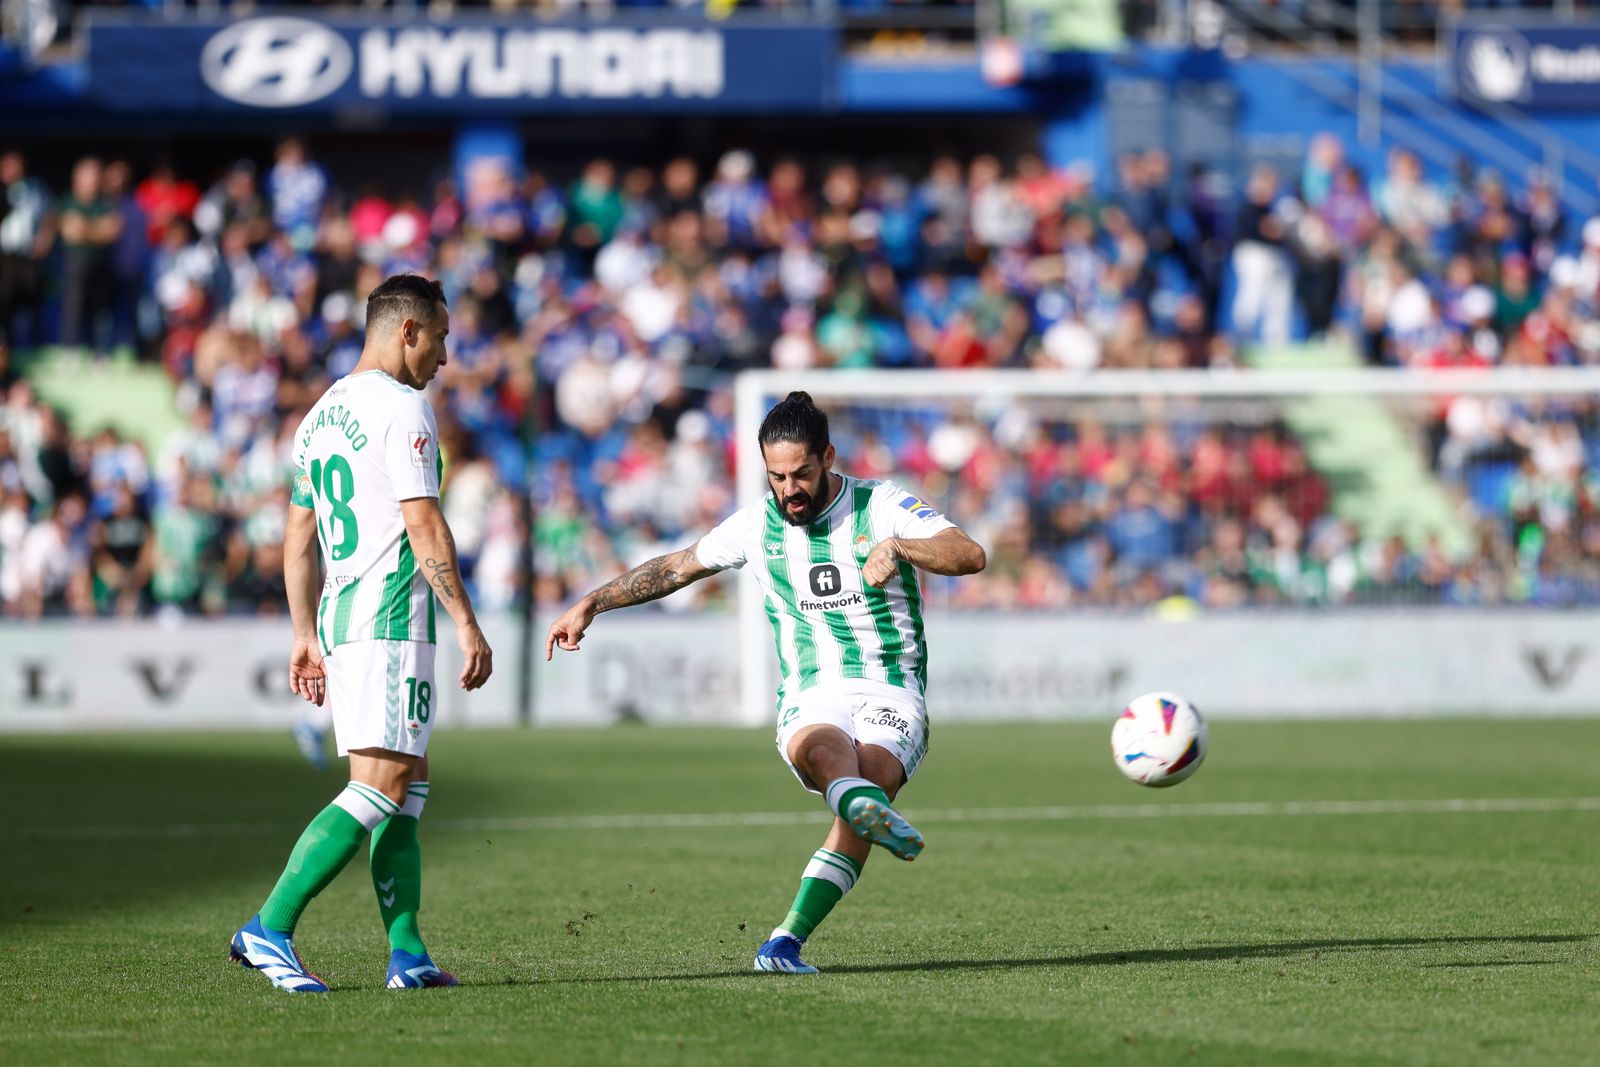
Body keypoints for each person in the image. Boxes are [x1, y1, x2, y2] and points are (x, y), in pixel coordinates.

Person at [545, 391, 986, 974]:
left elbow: (969, 553)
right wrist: (592, 602)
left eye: (800, 474)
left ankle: (783, 942)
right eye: (776, 477)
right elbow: (676, 567)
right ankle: (844, 826)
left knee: (870, 781)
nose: (788, 489)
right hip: (813, 689)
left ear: (827, 457)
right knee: (831, 759)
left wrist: (902, 547)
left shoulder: (881, 505)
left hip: (890, 687)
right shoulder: (756, 524)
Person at [230, 274, 493, 993]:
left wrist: (302, 632)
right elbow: (423, 522)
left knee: (408, 786)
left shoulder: (318, 416)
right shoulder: (403, 407)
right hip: (388, 619)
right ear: (408, 331)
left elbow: (297, 533)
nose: (445, 355)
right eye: (440, 337)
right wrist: (467, 621)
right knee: (379, 786)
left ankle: (407, 953)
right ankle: (269, 926)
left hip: (342, 618)